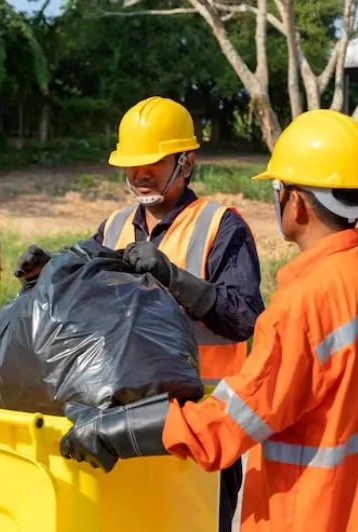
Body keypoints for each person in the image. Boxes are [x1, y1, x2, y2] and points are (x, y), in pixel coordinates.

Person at [58, 109, 358, 532]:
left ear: (294, 201)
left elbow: (229, 422)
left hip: (306, 509)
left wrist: (119, 431)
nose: (141, 174)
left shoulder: (301, 303)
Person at [14, 96, 264, 531]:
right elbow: (82, 305)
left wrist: (173, 276)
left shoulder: (220, 226)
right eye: (131, 165)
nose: (140, 174)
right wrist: (48, 271)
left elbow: (244, 319)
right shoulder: (113, 227)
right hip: (119, 427)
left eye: (153, 163)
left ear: (186, 162)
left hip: (197, 426)